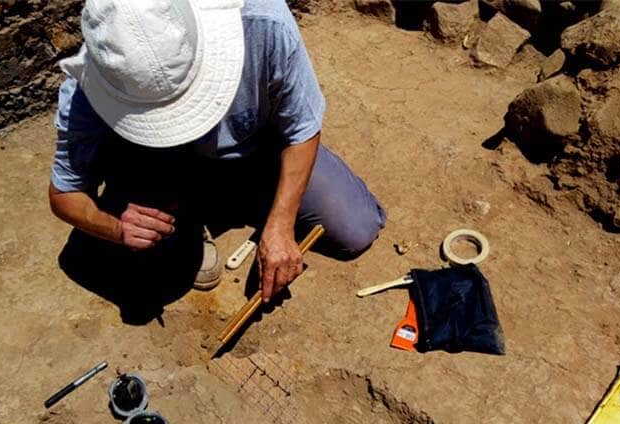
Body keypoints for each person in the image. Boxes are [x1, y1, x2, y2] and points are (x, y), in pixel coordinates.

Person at [48, 0, 385, 305]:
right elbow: (64, 193)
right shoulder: (88, 87)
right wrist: (116, 229)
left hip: (255, 147)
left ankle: (240, 201)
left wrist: (281, 224)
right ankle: (190, 213)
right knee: (164, 272)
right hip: (160, 167)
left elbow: (302, 128)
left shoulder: (263, 22)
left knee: (356, 227)